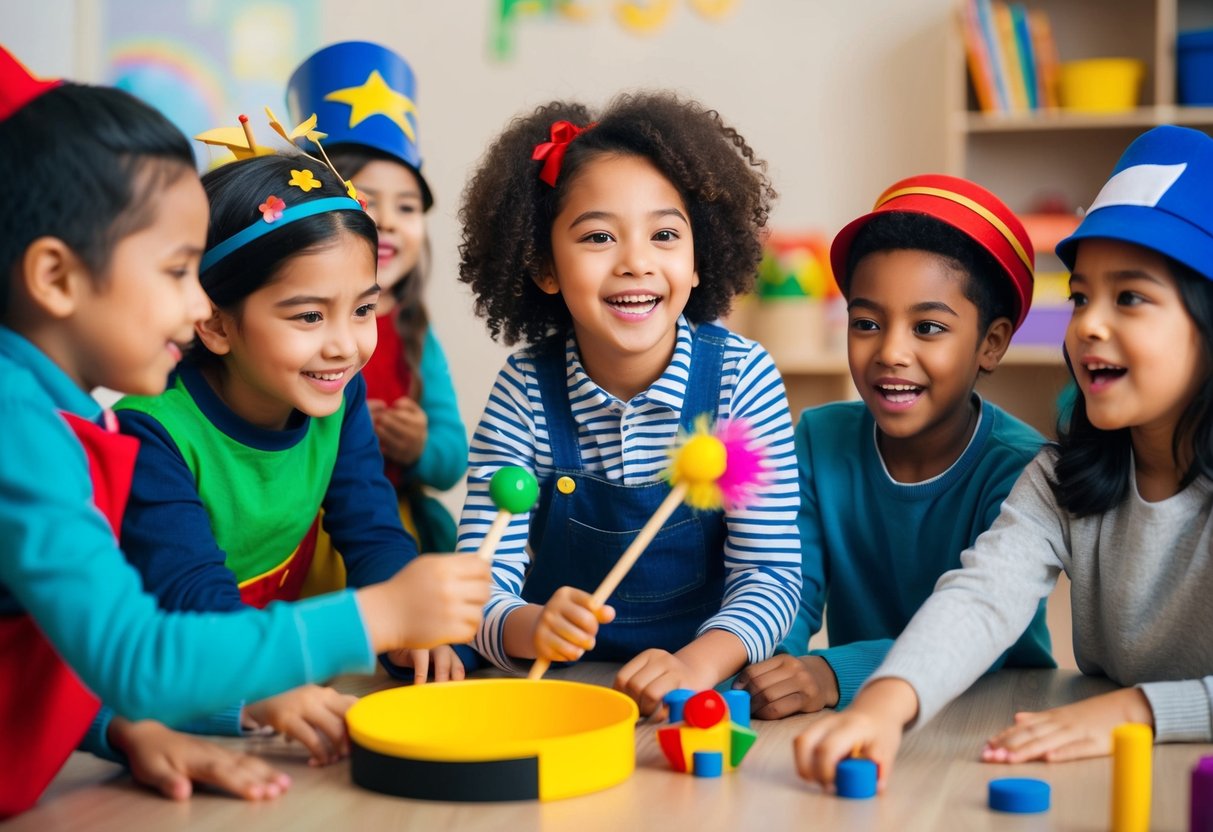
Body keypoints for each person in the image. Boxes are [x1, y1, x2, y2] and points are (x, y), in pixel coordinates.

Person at [0, 45, 489, 816]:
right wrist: (381, 615)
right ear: (57, 277)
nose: (198, 308)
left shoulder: (48, 412)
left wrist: (117, 729)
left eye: (362, 308)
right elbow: (138, 652)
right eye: (175, 272)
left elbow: (48, 651)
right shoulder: (31, 428)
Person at [793, 125, 1213, 791]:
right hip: (1103, 761)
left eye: (1127, 297)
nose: (1087, 325)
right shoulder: (1058, 475)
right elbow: (982, 597)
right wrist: (884, 702)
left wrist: (1140, 709)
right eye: (1080, 297)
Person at [456, 92, 801, 715]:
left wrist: (695, 665)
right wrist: (528, 627)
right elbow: (478, 580)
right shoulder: (525, 390)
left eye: (665, 234)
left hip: (697, 693)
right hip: (560, 692)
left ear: (699, 259)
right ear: (543, 266)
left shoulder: (741, 380)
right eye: (598, 237)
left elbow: (771, 578)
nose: (636, 262)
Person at [114, 148, 463, 761]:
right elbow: (195, 604)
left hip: (269, 685)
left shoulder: (338, 395)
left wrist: (408, 629)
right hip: (175, 704)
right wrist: (265, 688)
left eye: (363, 309)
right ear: (215, 325)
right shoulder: (150, 434)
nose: (346, 346)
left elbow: (373, 530)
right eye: (308, 315)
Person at [735, 175, 1054, 719]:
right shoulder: (819, 438)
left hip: (991, 709)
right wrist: (775, 665)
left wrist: (833, 671)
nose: (891, 352)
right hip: (857, 711)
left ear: (991, 343)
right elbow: (791, 584)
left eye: (928, 327)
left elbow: (987, 632)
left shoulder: (1023, 465)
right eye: (866, 323)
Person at [285, 43, 471, 682]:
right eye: (367, 198)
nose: (387, 220)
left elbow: (452, 458)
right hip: (299, 540)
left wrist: (421, 443)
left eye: (408, 206)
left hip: (384, 526)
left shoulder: (418, 337)